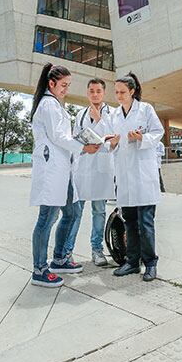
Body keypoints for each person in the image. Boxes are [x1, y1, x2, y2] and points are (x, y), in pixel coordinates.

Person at [29, 63, 101, 287]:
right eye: (63, 85)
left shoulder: (56, 105)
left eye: (68, 85)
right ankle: (40, 269)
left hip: (63, 170)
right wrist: (83, 147)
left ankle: (60, 258)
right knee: (46, 219)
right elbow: (59, 137)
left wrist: (83, 141)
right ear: (51, 84)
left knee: (72, 211)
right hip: (52, 171)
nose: (66, 89)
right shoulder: (48, 104)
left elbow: (62, 136)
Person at [106, 72, 164, 282]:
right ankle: (132, 261)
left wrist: (142, 138)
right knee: (129, 221)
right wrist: (111, 143)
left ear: (132, 91)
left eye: (122, 92)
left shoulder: (146, 109)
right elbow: (111, 141)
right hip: (124, 174)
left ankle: (150, 263)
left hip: (143, 174)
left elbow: (158, 132)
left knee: (145, 223)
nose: (119, 96)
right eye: (116, 92)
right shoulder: (114, 114)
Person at [67, 78, 115, 268]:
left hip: (101, 167)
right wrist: (84, 147)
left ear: (103, 93)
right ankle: (67, 251)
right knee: (75, 212)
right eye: (92, 91)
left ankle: (97, 249)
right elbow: (74, 140)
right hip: (83, 166)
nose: (95, 94)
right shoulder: (80, 114)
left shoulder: (112, 113)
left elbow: (114, 137)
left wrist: (100, 121)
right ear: (87, 93)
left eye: (98, 91)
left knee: (99, 210)